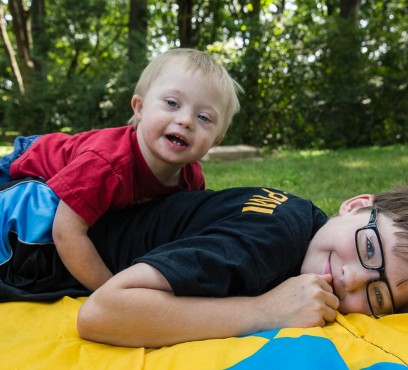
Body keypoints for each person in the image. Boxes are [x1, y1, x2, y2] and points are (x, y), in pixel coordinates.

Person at [0, 178, 408, 347]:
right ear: (357, 204)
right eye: (368, 249)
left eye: (376, 296)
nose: (349, 280)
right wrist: (265, 312)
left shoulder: (300, 223)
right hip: (25, 236)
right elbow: (101, 313)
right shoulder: (269, 239)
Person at [0, 48, 243, 291]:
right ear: (139, 107)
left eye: (204, 117)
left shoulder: (191, 177)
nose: (186, 120)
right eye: (172, 103)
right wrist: (109, 289)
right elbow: (66, 232)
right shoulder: (108, 163)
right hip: (28, 162)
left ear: (216, 139)